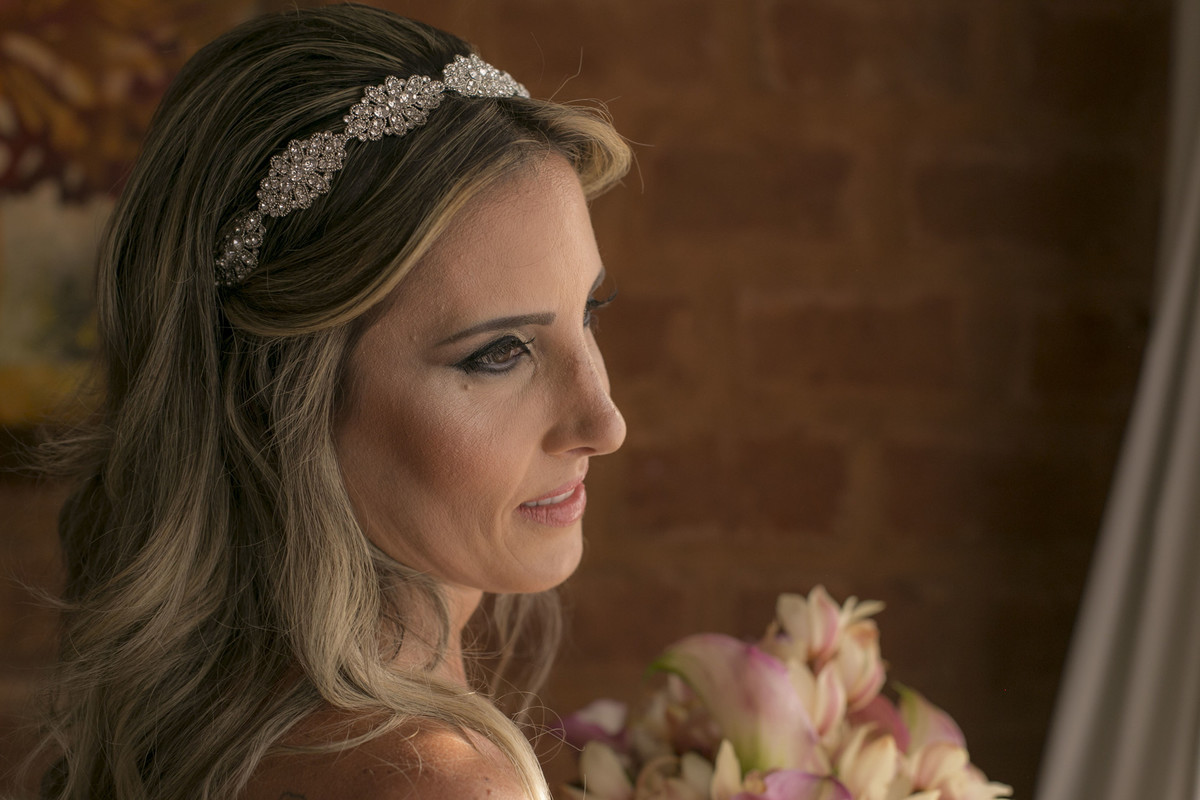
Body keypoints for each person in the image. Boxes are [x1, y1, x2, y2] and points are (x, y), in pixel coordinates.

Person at [30, 5, 631, 799]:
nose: (604, 423)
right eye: (499, 353)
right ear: (288, 399)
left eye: (590, 311)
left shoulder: (199, 733)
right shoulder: (439, 782)